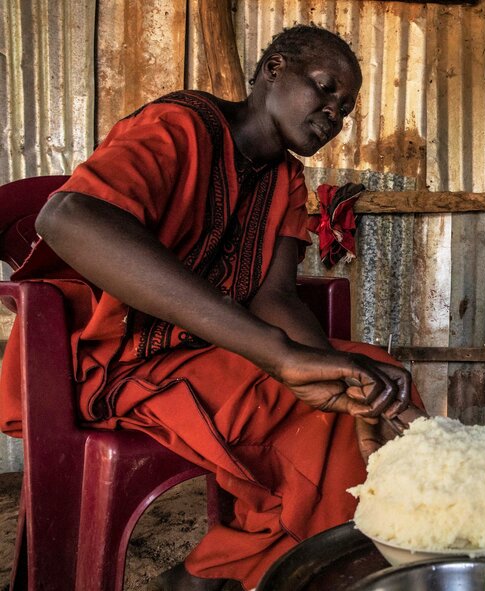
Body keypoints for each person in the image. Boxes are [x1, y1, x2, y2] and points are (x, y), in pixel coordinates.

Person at [0, 25, 425, 591]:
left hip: (208, 355)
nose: (332, 115)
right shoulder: (179, 127)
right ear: (273, 68)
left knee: (379, 377)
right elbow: (67, 217)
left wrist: (334, 375)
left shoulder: (287, 181)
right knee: (318, 434)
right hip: (118, 360)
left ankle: (219, 572)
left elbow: (273, 296)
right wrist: (277, 356)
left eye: (344, 109)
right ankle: (287, 574)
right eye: (324, 90)